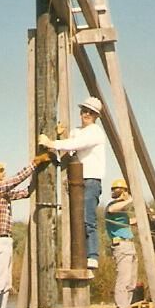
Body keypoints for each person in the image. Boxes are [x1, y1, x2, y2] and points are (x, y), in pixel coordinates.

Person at [0, 153, 50, 308]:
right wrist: (34, 164)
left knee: (5, 283)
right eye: (0, 171)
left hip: (4, 241)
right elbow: (16, 180)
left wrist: (36, 179)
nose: (3, 173)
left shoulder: (1, 192)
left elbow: (24, 193)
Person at [38, 96, 107, 269]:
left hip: (91, 180)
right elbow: (70, 151)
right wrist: (59, 136)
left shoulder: (95, 132)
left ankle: (92, 255)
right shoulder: (76, 131)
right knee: (74, 219)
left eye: (91, 112)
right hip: (75, 181)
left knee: (87, 219)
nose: (86, 114)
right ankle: (78, 254)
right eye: (84, 110)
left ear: (96, 116)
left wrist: (52, 142)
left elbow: (77, 144)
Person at [105, 178, 137, 308]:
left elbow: (127, 222)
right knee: (123, 279)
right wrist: (132, 200)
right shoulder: (112, 206)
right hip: (122, 246)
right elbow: (112, 210)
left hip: (129, 245)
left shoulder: (121, 211)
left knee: (131, 281)